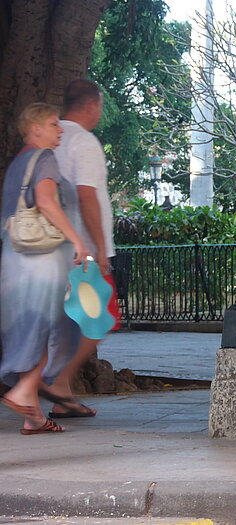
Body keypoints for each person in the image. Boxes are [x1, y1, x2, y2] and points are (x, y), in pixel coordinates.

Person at [0, 102, 88, 434]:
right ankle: (23, 391)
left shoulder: (17, 163)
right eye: (53, 124)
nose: (60, 129)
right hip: (43, 258)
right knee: (51, 325)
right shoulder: (45, 159)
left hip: (14, 259)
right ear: (35, 128)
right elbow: (47, 201)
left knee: (27, 325)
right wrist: (77, 239)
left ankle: (33, 416)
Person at [42, 79, 115, 418]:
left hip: (53, 245)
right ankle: (58, 379)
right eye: (99, 106)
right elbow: (87, 196)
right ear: (91, 105)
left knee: (66, 320)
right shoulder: (84, 141)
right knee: (101, 318)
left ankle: (63, 396)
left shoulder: (51, 139)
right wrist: (99, 248)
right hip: (83, 248)